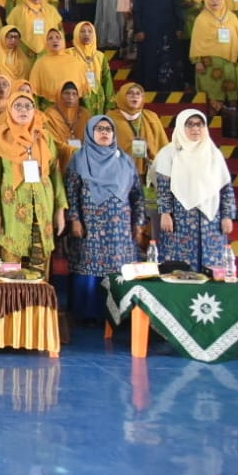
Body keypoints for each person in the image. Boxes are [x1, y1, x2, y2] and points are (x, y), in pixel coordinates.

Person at [65, 115, 145, 323]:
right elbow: (71, 193)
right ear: (90, 132)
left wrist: (138, 224)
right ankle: (88, 315)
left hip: (119, 228)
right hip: (89, 226)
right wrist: (74, 219)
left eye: (108, 129)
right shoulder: (79, 159)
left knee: (117, 267)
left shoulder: (126, 161)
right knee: (88, 266)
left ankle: (118, 314)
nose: (104, 133)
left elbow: (137, 195)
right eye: (99, 129)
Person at [0, 89, 68, 270]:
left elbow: (55, 175)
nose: (23, 110)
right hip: (12, 211)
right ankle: (12, 300)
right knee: (11, 269)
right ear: (9, 109)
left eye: (28, 106)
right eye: (18, 106)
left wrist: (60, 210)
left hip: (43, 209)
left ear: (34, 110)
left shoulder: (45, 137)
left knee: (40, 269)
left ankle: (38, 299)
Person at [154, 110, 236, 273]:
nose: (195, 129)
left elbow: (225, 188)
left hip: (210, 222)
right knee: (181, 270)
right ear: (180, 127)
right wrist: (165, 213)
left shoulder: (213, 154)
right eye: (189, 124)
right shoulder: (169, 153)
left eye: (199, 124)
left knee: (211, 269)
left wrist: (227, 216)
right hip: (180, 220)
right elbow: (164, 187)